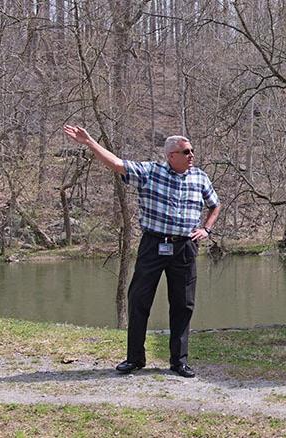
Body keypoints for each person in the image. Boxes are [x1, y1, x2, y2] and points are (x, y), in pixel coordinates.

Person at [63, 125, 221, 378]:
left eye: (192, 151)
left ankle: (178, 361)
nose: (192, 155)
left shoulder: (200, 177)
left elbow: (215, 205)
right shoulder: (150, 172)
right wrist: (90, 143)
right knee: (139, 300)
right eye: (186, 151)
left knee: (183, 304)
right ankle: (135, 359)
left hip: (184, 247)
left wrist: (207, 229)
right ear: (171, 155)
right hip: (153, 245)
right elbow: (116, 164)